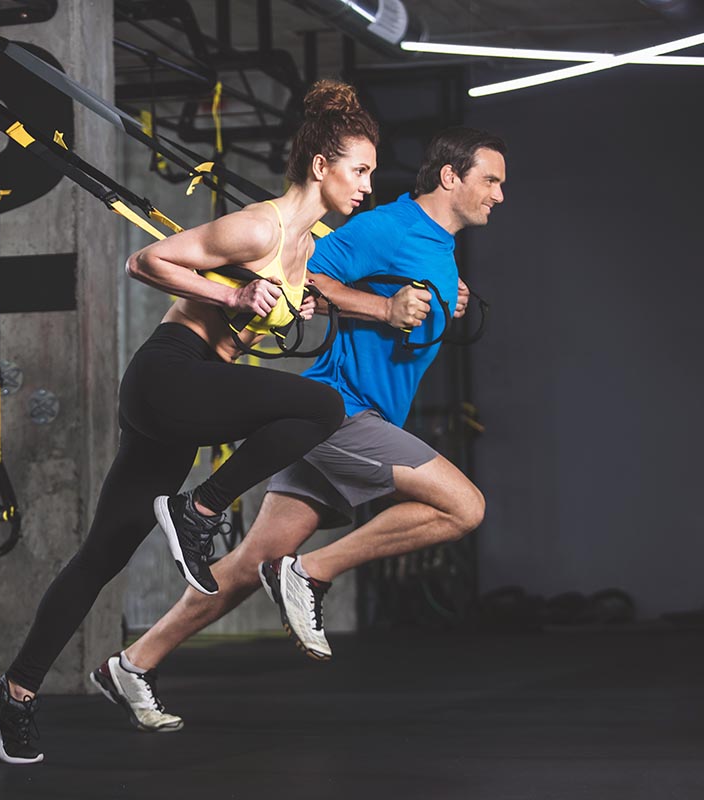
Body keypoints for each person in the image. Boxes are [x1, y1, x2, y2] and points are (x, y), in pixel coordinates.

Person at [0, 80, 382, 764]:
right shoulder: (259, 225)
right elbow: (146, 260)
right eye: (360, 170)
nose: (367, 184)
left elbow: (251, 322)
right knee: (321, 406)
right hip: (169, 375)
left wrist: (286, 313)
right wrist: (233, 291)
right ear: (321, 166)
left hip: (188, 402)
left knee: (103, 554)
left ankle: (12, 693)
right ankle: (197, 511)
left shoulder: (306, 249)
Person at [89, 127, 507, 733]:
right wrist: (384, 309)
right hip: (340, 409)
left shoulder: (438, 246)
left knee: (251, 560)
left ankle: (131, 664)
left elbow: (402, 289)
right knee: (463, 507)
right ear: (451, 178)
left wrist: (449, 296)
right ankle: (312, 573)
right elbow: (306, 272)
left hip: (355, 415)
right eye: (490, 180)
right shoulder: (389, 226)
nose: (499, 194)